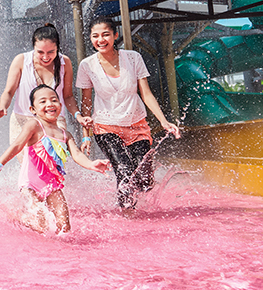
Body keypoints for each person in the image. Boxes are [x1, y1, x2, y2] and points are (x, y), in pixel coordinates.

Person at [74, 17, 182, 212]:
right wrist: (86, 135)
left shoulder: (132, 58)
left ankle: (144, 206)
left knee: (144, 178)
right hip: (105, 126)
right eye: (95, 36)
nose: (101, 39)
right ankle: (126, 213)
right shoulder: (87, 65)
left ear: (115, 35)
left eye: (106, 34)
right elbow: (86, 103)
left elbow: (146, 94)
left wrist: (164, 121)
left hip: (136, 124)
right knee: (124, 169)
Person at [0, 84, 109, 234]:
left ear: (60, 105)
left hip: (52, 186)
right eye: (42, 101)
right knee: (40, 225)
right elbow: (17, 145)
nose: (49, 104)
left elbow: (77, 154)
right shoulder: (34, 125)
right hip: (30, 184)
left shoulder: (65, 134)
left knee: (64, 226)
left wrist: (92, 164)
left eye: (53, 100)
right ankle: (19, 217)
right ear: (33, 110)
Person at [0, 24, 75, 144]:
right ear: (33, 48)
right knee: (27, 162)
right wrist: (2, 107)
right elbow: (9, 92)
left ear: (57, 48)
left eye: (51, 52)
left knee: (54, 159)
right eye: (40, 52)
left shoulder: (64, 62)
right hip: (23, 119)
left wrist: (78, 115)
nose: (46, 57)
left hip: (54, 120)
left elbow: (68, 96)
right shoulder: (21, 61)